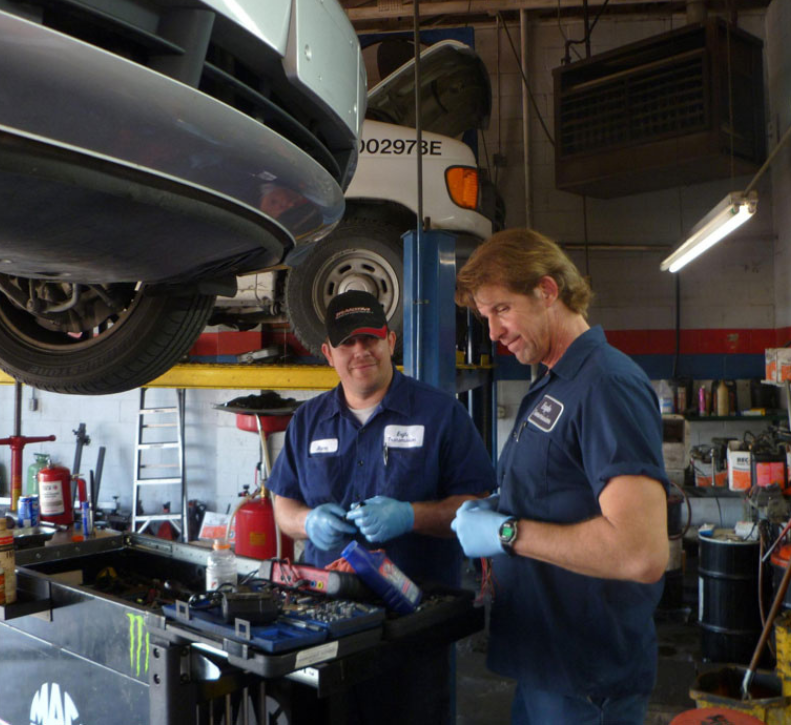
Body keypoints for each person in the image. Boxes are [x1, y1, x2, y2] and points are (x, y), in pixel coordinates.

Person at [451, 228, 670, 725]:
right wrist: (504, 506)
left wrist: (507, 533)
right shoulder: (558, 382)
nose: (493, 332)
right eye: (485, 317)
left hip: (586, 680)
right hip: (548, 664)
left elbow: (641, 553)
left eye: (501, 310)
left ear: (547, 291)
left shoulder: (606, 384)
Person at [267, 289, 496, 723]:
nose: (360, 351)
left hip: (413, 625)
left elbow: (478, 505)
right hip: (326, 624)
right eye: (347, 343)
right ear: (328, 353)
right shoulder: (307, 420)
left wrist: (411, 516)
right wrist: (308, 521)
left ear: (390, 341)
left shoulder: (440, 414)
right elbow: (284, 506)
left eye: (370, 338)